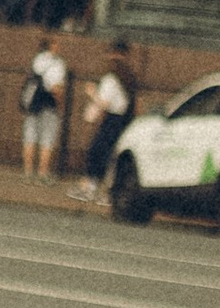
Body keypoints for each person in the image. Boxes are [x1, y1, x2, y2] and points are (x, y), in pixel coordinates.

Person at [75, 44, 137, 206]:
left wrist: (91, 93)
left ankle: (91, 188)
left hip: (112, 119)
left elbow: (104, 103)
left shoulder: (111, 79)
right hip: (123, 119)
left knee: (98, 152)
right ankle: (106, 191)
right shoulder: (128, 79)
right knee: (112, 155)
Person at [20, 31, 69, 181]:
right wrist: (61, 105)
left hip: (33, 103)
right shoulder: (58, 63)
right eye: (57, 44)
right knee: (47, 139)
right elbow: (56, 88)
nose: (59, 46)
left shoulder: (37, 60)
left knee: (29, 137)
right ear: (52, 46)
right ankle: (42, 173)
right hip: (49, 104)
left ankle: (28, 173)